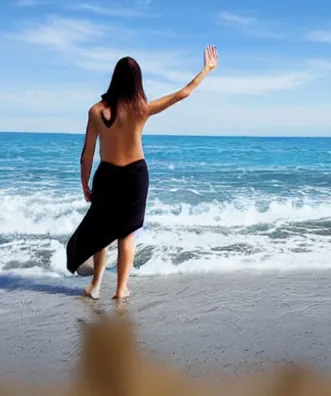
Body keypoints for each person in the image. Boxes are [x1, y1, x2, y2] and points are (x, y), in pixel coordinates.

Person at [66, 45, 218, 300]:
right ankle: (121, 288)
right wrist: (207, 69)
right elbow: (184, 93)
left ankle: (95, 286)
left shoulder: (96, 111)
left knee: (102, 232)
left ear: (114, 78)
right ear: (137, 82)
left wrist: (84, 184)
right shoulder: (141, 109)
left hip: (107, 175)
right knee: (127, 233)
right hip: (135, 176)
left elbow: (87, 154)